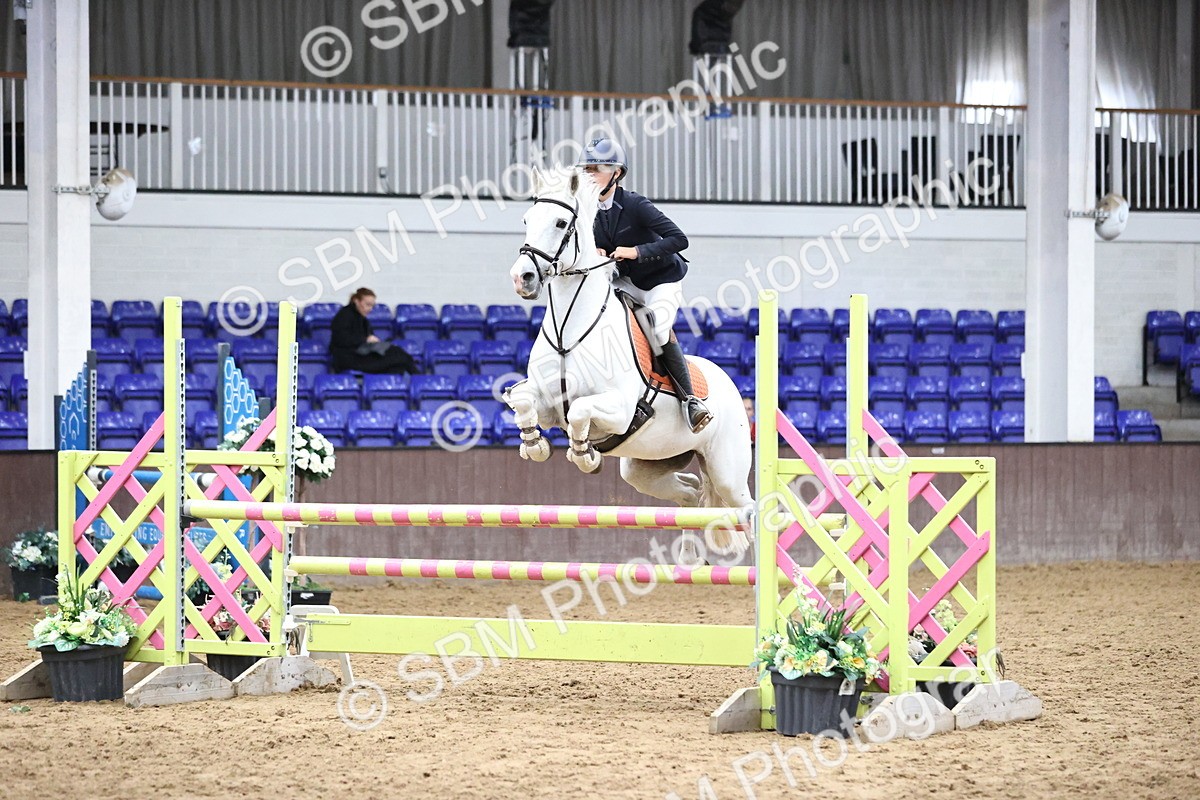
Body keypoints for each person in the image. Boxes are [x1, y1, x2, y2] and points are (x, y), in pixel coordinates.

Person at [578, 136, 713, 433]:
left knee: (658, 327)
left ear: (617, 173)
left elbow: (679, 240)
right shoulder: (586, 210)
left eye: (596, 169)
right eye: (586, 169)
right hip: (624, 280)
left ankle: (689, 400)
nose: (589, 175)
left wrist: (637, 251)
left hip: (660, 281)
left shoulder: (636, 204)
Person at [328, 287, 417, 374]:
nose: (370, 309)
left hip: (360, 354)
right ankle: (420, 380)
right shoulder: (344, 316)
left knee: (398, 365)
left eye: (372, 306)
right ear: (356, 301)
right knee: (398, 355)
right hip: (348, 358)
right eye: (367, 304)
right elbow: (340, 339)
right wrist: (366, 339)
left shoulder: (362, 318)